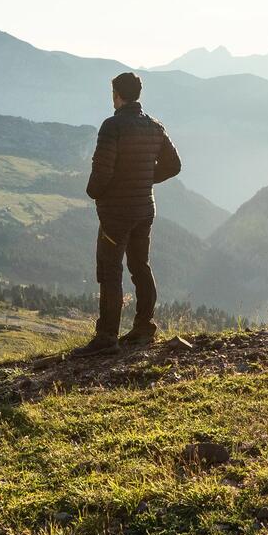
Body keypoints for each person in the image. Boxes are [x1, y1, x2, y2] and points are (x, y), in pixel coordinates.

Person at [73, 72, 181, 357]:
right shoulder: (154, 127)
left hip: (116, 213)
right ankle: (144, 326)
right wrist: (145, 179)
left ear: (117, 95)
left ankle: (107, 337)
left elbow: (102, 171)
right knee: (140, 266)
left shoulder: (112, 127)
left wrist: (94, 191)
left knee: (110, 271)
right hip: (145, 209)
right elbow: (174, 165)